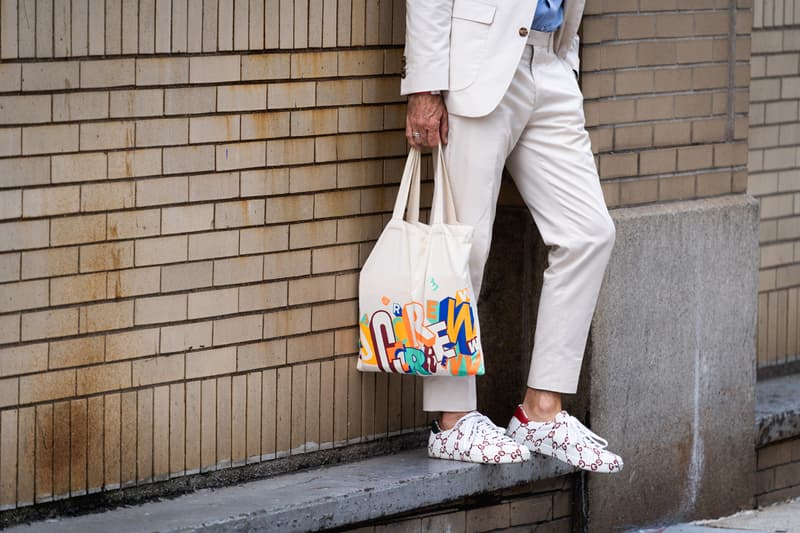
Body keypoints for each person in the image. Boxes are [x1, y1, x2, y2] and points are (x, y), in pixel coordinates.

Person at [401, 0, 623, 472]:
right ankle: (453, 420)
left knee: (589, 233)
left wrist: (567, 56)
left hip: (551, 60)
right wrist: (424, 87)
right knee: (464, 244)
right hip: (478, 65)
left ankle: (541, 411)